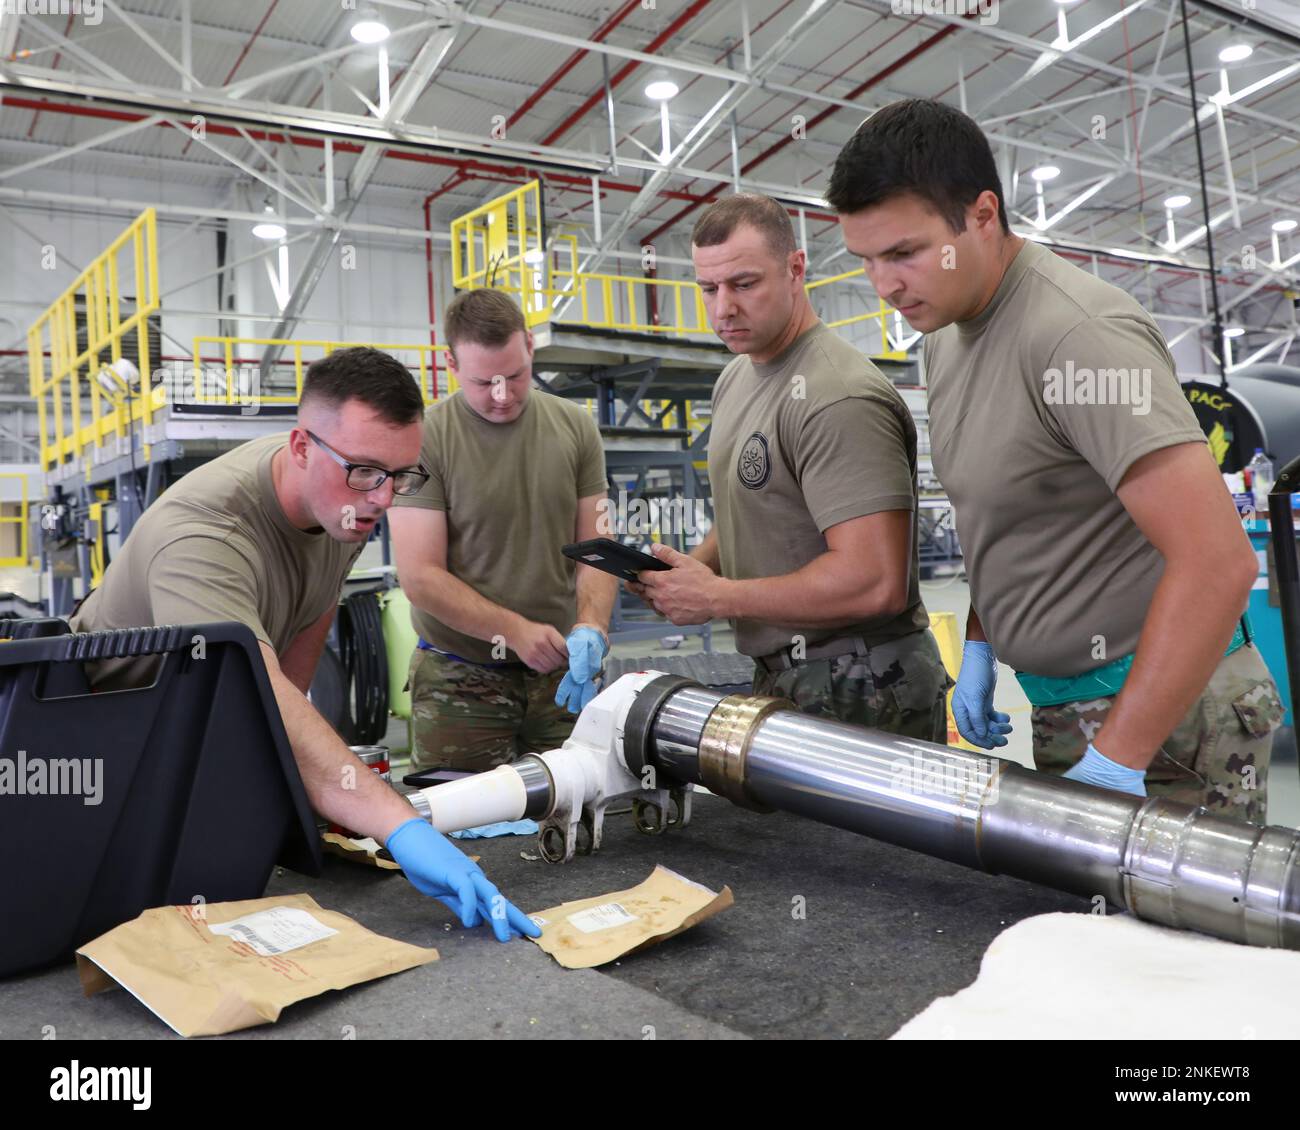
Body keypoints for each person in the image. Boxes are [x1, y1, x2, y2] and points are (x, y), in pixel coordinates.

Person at [827, 98, 1281, 817]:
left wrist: (1118, 757)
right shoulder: (944, 338)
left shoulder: (1077, 335)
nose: (883, 286)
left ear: (982, 215)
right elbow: (1015, 516)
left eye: (904, 253)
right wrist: (981, 642)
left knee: (1188, 929)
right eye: (866, 261)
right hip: (1067, 706)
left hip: (1170, 722)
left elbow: (1218, 563)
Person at [71, 346, 539, 941]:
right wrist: (400, 825)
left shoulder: (342, 504)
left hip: (195, 737)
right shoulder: (203, 536)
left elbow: (294, 672)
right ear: (299, 447)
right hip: (107, 757)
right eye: (368, 471)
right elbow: (263, 697)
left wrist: (322, 788)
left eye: (401, 475)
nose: (384, 498)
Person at [635, 193, 950, 741]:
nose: (722, 308)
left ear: (795, 268)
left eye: (744, 284)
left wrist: (717, 597)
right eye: (708, 289)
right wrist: (690, 571)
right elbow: (754, 507)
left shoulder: (838, 396)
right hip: (782, 674)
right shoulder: (737, 378)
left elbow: (873, 584)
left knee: (852, 834)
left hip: (863, 684)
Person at [389, 289, 617, 772]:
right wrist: (513, 631)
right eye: (483, 382)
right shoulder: (425, 439)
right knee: (458, 827)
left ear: (530, 346)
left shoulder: (576, 428)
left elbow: (597, 548)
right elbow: (420, 576)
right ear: (451, 364)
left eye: (514, 376)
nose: (502, 395)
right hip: (460, 681)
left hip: (559, 673)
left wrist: (591, 626)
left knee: (581, 816)